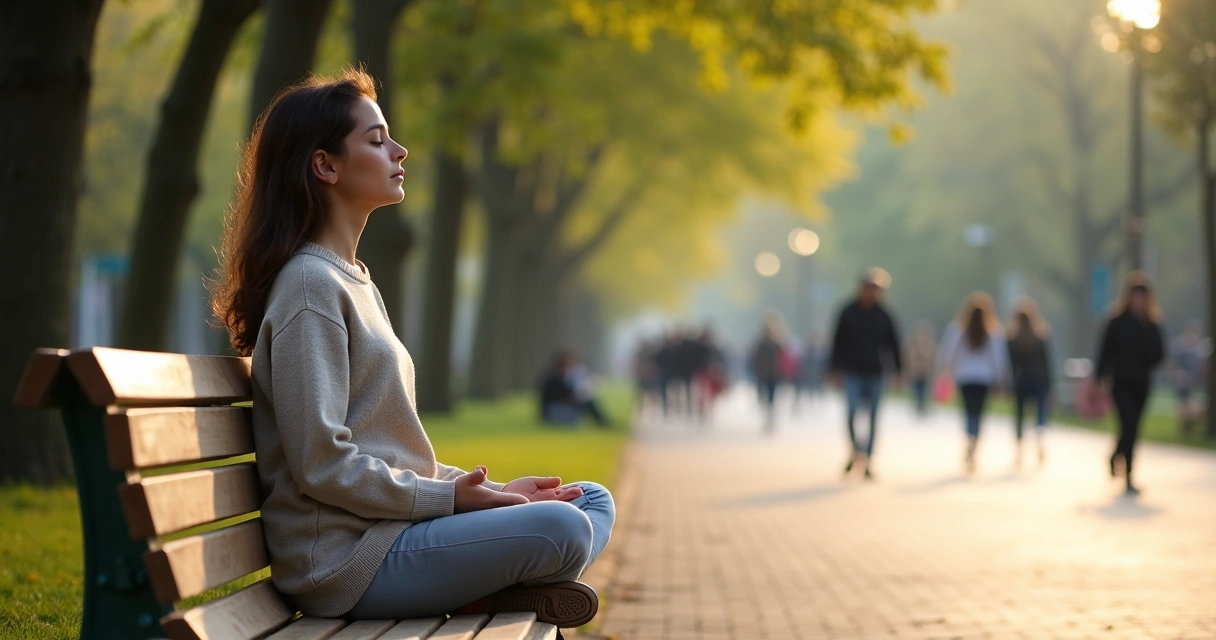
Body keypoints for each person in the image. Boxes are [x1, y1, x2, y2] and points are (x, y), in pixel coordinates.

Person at [208, 70, 613, 626]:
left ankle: (484, 591)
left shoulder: (353, 279)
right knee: (563, 527)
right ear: (325, 165)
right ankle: (486, 591)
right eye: (375, 141)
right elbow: (321, 464)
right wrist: (452, 502)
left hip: (398, 532)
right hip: (348, 563)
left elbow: (391, 451)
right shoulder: (310, 287)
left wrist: (491, 494)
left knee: (590, 501)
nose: (399, 150)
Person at [1093, 272, 1166, 496]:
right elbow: (1104, 351)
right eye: (1136, 295)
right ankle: (1122, 465)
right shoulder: (1117, 322)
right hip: (1121, 382)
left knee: (1133, 429)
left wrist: (1146, 359)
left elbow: (1161, 353)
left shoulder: (1151, 324)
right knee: (1129, 423)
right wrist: (1099, 378)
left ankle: (1124, 467)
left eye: (1143, 296)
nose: (1139, 300)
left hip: (1141, 383)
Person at [827, 268, 903, 479]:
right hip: (852, 371)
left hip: (876, 372)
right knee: (852, 413)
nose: (873, 293)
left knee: (873, 418)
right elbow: (837, 343)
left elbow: (894, 344)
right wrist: (833, 369)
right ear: (862, 288)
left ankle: (868, 459)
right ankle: (856, 449)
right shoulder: (848, 312)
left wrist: (898, 371)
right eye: (870, 288)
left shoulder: (885, 314)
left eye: (877, 289)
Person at [937, 293, 1007, 475]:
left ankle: (969, 437)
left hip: (965, 377)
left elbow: (949, 353)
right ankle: (974, 442)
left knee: (968, 412)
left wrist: (947, 372)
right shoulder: (994, 332)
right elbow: (999, 359)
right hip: (984, 378)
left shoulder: (958, 329)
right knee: (979, 413)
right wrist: (1001, 379)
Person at [1007, 297, 1053, 467]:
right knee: (1040, 416)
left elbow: (1010, 365)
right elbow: (1047, 364)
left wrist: (1009, 384)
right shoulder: (1040, 337)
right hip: (1039, 381)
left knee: (1019, 417)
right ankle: (1040, 438)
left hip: (1021, 382)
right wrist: (1049, 385)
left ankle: (1019, 452)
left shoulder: (1013, 339)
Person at [540, 349, 609, 427]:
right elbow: (567, 398)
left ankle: (602, 421)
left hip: (557, 408)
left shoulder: (562, 377)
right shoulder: (554, 379)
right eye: (569, 364)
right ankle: (602, 422)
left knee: (586, 401)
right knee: (585, 402)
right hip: (551, 412)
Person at [750, 313, 787, 433]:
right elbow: (755, 359)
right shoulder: (761, 344)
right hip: (764, 374)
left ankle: (770, 418)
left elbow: (783, 359)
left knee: (772, 397)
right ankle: (768, 415)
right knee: (764, 396)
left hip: (774, 374)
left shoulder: (777, 344)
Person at [1169, 320, 1207, 436]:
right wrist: (1176, 374)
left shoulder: (1199, 348)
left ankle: (1189, 427)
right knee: (1184, 404)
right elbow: (1174, 363)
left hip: (1193, 382)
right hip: (1183, 381)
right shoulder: (1181, 346)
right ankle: (1185, 427)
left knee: (1192, 404)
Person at [904, 322, 937, 418]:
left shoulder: (930, 346)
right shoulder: (912, 345)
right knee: (916, 391)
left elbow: (932, 359)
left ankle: (923, 407)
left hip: (925, 372)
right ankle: (918, 406)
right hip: (915, 373)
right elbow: (908, 359)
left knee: (924, 391)